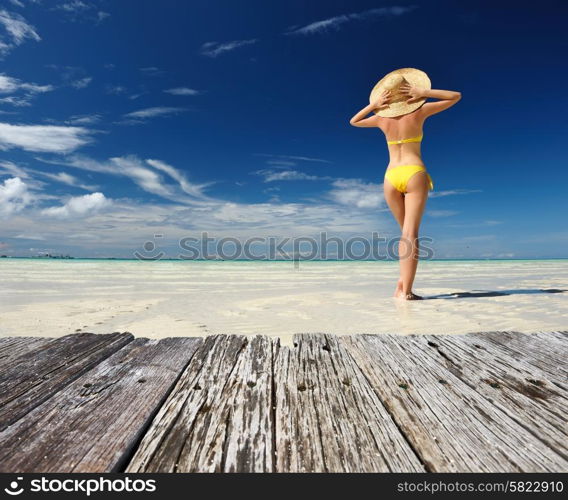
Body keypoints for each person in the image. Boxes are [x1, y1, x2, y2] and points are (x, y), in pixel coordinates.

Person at [349, 68, 461, 300]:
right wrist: (424, 92)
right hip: (413, 173)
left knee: (404, 234)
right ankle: (407, 292)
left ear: (388, 97)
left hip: (390, 177)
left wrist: (374, 105)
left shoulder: (381, 119)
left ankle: (401, 284)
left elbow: (354, 121)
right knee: (410, 235)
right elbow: (455, 96)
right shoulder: (419, 112)